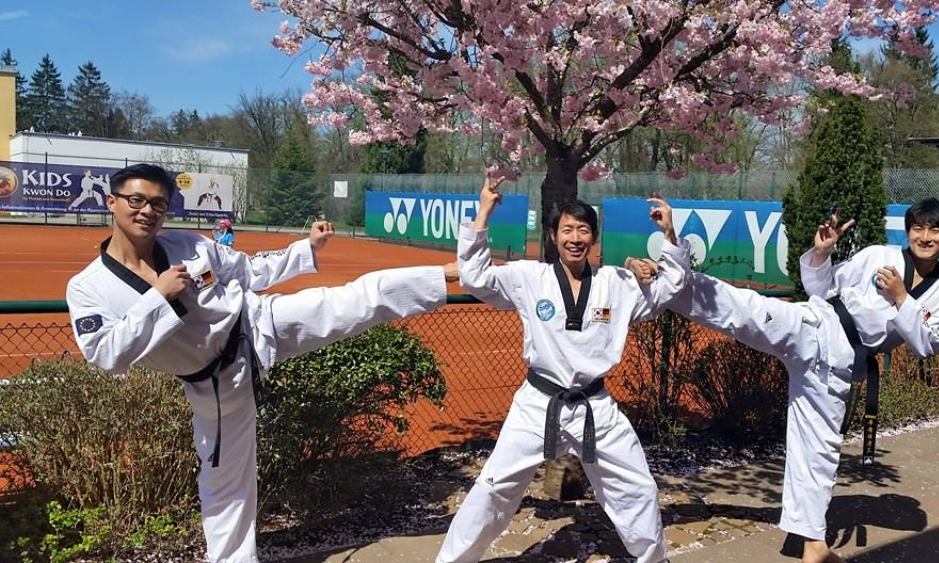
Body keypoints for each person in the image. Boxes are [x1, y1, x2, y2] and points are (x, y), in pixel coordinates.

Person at [66, 163, 459, 563]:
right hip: (216, 383)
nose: (147, 211)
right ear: (111, 202)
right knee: (226, 484)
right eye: (136, 200)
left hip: (256, 323)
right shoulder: (87, 288)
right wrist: (158, 297)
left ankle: (443, 275)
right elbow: (105, 354)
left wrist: (304, 248)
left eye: (158, 204)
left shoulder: (190, 245)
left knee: (350, 300)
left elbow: (249, 269)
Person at [627, 199, 939, 563]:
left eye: (935, 230)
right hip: (815, 326)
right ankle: (667, 277)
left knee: (818, 451)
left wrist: (901, 298)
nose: (924, 236)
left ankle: (813, 544)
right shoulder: (879, 256)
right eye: (918, 228)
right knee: (746, 309)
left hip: (840, 365)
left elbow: (927, 344)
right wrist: (821, 254)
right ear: (908, 230)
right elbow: (821, 287)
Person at [436, 176, 691, 563]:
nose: (575, 238)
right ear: (553, 237)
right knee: (493, 488)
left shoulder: (616, 283)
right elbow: (476, 278)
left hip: (595, 408)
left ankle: (654, 559)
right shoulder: (529, 278)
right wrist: (484, 211)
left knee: (638, 489)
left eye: (583, 230)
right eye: (567, 230)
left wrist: (669, 234)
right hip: (537, 404)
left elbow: (668, 290)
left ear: (594, 238)